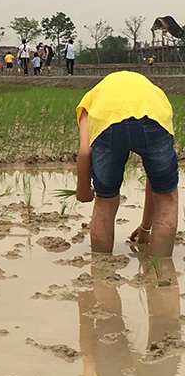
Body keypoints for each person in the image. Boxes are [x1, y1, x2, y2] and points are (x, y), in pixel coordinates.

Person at [75, 71, 178, 257]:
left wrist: (83, 190)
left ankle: (101, 270)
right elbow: (155, 181)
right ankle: (162, 270)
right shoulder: (152, 94)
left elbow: (84, 151)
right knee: (165, 197)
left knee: (105, 201)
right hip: (154, 120)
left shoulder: (91, 99)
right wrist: (146, 228)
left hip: (108, 127)